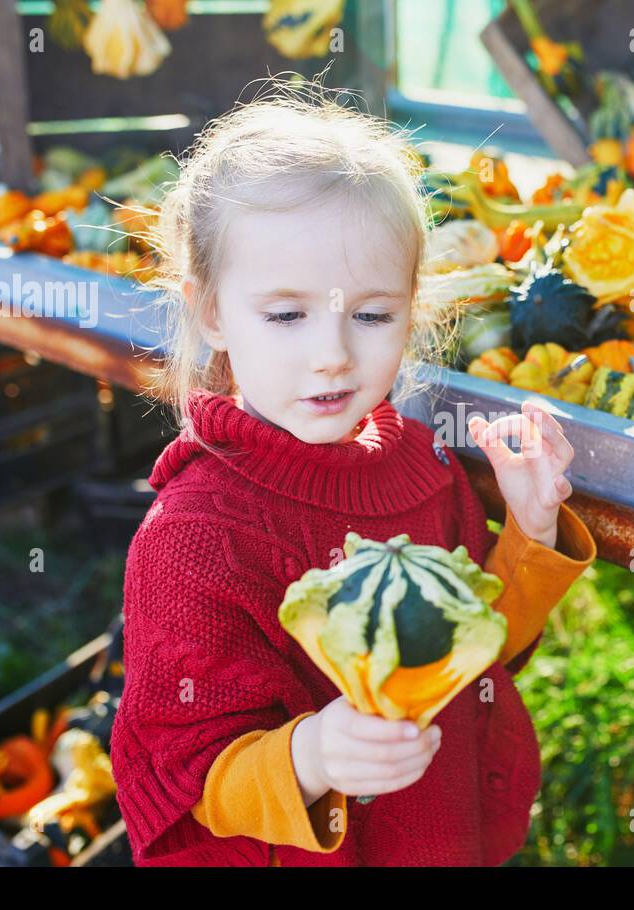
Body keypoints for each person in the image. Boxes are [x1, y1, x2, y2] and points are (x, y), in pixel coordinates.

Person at [110, 83, 596, 866]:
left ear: (414, 306)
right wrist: (312, 757)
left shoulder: (421, 468)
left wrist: (530, 531)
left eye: (371, 315)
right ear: (210, 313)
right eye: (286, 315)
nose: (333, 353)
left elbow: (472, 655)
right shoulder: (194, 541)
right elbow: (187, 776)